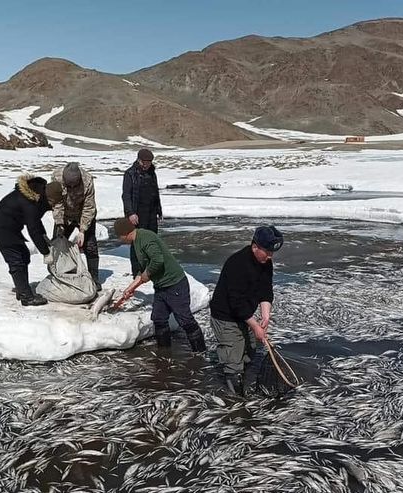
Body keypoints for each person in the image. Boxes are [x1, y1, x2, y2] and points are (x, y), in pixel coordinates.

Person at [210, 225, 284, 395]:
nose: (270, 255)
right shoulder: (237, 264)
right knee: (233, 359)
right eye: (267, 251)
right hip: (226, 316)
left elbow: (266, 289)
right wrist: (255, 326)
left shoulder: (265, 262)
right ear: (255, 247)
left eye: (272, 252)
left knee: (250, 351)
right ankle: (236, 399)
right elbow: (236, 303)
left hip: (245, 313)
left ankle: (244, 381)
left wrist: (265, 315)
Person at [113, 217, 205, 352]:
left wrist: (145, 276)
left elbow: (157, 261)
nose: (119, 240)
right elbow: (144, 267)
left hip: (174, 284)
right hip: (161, 287)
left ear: (124, 233)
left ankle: (200, 352)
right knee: (159, 318)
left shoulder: (145, 238)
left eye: (119, 236)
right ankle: (164, 351)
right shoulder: (137, 241)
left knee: (185, 320)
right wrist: (130, 288)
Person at [0, 174, 52, 306]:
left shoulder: (29, 196)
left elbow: (36, 223)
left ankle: (22, 289)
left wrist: (45, 239)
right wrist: (45, 251)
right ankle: (26, 297)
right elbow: (33, 229)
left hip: (8, 229)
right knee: (16, 260)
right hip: (1, 231)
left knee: (24, 255)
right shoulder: (28, 203)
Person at [47, 162, 100, 289]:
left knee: (90, 246)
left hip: (83, 214)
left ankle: (94, 278)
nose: (70, 187)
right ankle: (57, 274)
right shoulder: (57, 177)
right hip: (65, 215)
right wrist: (59, 223)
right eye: (68, 185)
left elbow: (89, 207)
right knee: (57, 244)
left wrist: (82, 230)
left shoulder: (87, 181)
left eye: (73, 185)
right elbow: (57, 202)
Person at [121, 148, 163, 277]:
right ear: (139, 160)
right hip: (137, 214)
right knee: (137, 242)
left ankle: (151, 269)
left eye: (149, 162)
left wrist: (159, 210)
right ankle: (137, 271)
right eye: (144, 162)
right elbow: (126, 195)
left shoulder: (152, 173)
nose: (147, 164)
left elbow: (155, 192)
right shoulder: (130, 174)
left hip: (151, 212)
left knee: (151, 240)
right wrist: (130, 213)